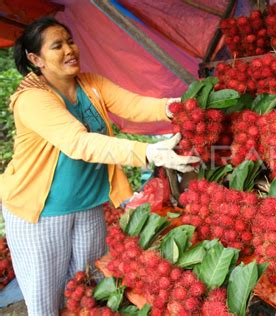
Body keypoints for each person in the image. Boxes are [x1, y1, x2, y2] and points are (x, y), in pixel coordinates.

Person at [0, 16, 198, 315]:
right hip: (42, 212)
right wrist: (149, 152)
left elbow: (135, 105)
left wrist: (176, 106)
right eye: (57, 46)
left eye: (70, 41)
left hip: (89, 202)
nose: (69, 50)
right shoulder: (31, 99)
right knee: (45, 298)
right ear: (35, 58)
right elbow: (79, 142)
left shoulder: (90, 84)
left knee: (86, 286)